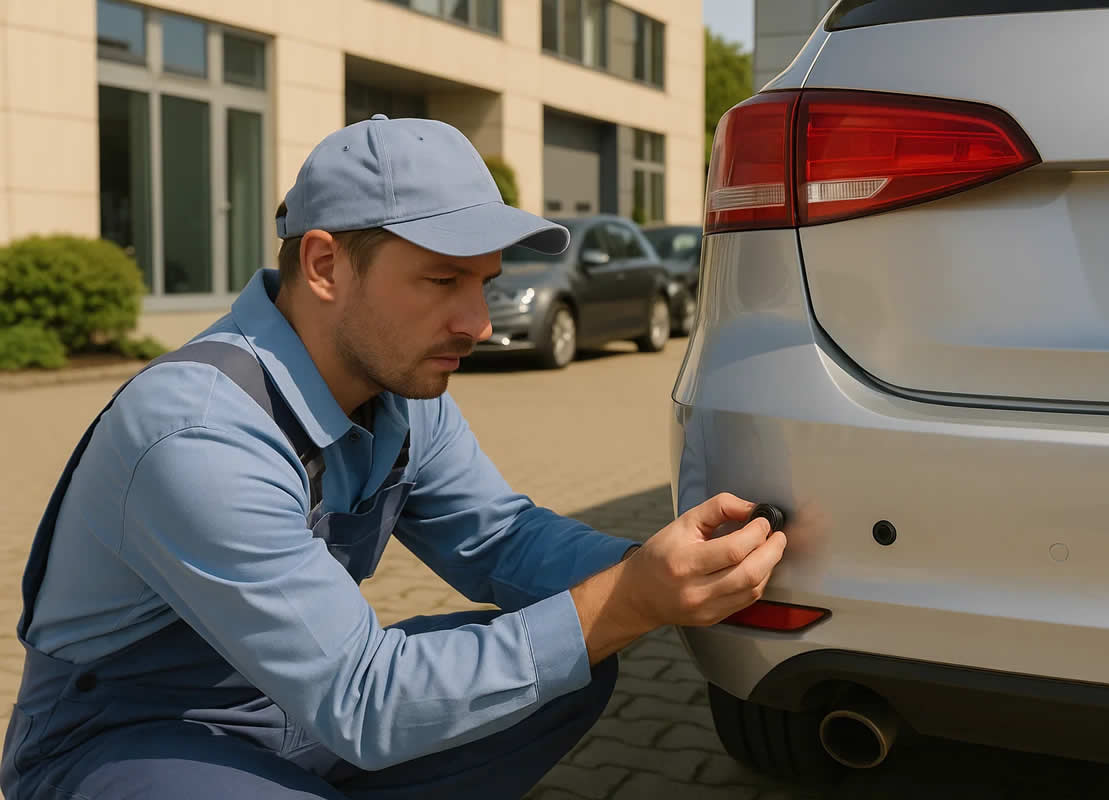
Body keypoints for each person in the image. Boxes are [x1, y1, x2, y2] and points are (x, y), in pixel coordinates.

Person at [1, 115, 795, 800]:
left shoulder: (403, 394)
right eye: (443, 279)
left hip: (292, 706)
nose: (478, 323)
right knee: (575, 636)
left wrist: (668, 568)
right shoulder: (200, 433)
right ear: (323, 266)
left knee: (571, 671)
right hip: (129, 736)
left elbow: (501, 540)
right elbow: (363, 699)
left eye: (485, 281)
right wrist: (631, 600)